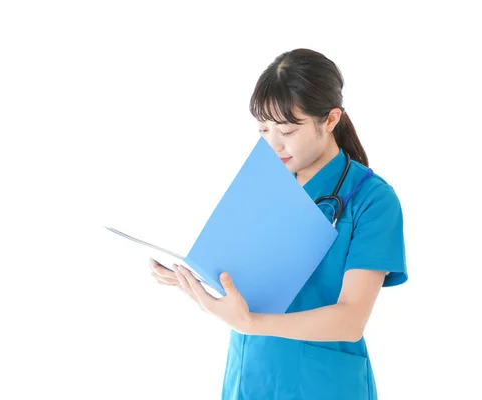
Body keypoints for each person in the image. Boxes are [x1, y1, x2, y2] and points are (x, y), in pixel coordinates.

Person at [149, 48, 407, 400]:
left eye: (286, 130)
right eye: (263, 129)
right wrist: (195, 279)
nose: (273, 144)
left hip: (324, 385)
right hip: (251, 373)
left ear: (330, 119)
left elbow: (350, 320)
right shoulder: (263, 183)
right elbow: (244, 281)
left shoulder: (371, 200)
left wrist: (251, 323)